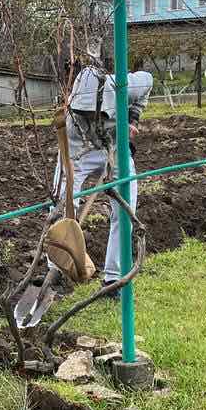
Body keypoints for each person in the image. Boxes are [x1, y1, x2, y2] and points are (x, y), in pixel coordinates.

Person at [50, 53, 152, 291]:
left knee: (126, 209)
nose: (88, 118)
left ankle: (113, 277)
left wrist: (132, 118)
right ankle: (56, 272)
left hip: (115, 147)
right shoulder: (71, 124)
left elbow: (149, 80)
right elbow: (67, 176)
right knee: (60, 205)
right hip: (82, 150)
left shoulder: (123, 86)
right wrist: (67, 208)